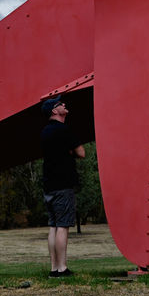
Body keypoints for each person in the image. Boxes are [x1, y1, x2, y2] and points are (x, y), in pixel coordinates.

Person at [39, 95, 85, 277]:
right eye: (60, 104)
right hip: (63, 184)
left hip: (49, 185)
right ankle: (62, 268)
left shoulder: (44, 132)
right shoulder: (64, 130)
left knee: (53, 226)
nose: (64, 104)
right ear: (54, 111)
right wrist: (70, 152)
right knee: (63, 226)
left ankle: (53, 268)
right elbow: (81, 153)